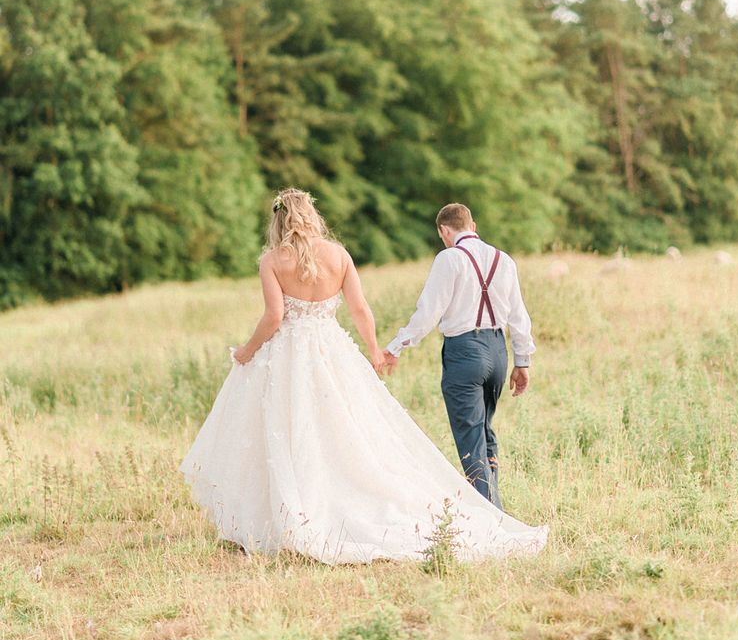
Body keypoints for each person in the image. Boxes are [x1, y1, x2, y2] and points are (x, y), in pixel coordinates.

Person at [178, 189, 547, 564]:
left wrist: (246, 351)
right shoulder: (339, 256)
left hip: (289, 356)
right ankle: (485, 505)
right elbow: (358, 307)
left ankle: (288, 514)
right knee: (353, 431)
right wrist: (374, 351)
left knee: (285, 430)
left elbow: (274, 317)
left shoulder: (272, 261)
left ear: (276, 220)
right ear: (312, 215)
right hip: (339, 351)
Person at [384, 203, 535, 510]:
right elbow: (519, 315)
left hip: (465, 352)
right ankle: (495, 506)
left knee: (470, 437)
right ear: (473, 226)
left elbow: (429, 312)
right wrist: (522, 362)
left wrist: (397, 346)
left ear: (444, 230)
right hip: (498, 351)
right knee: (485, 431)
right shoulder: (503, 260)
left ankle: (490, 518)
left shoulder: (449, 258)